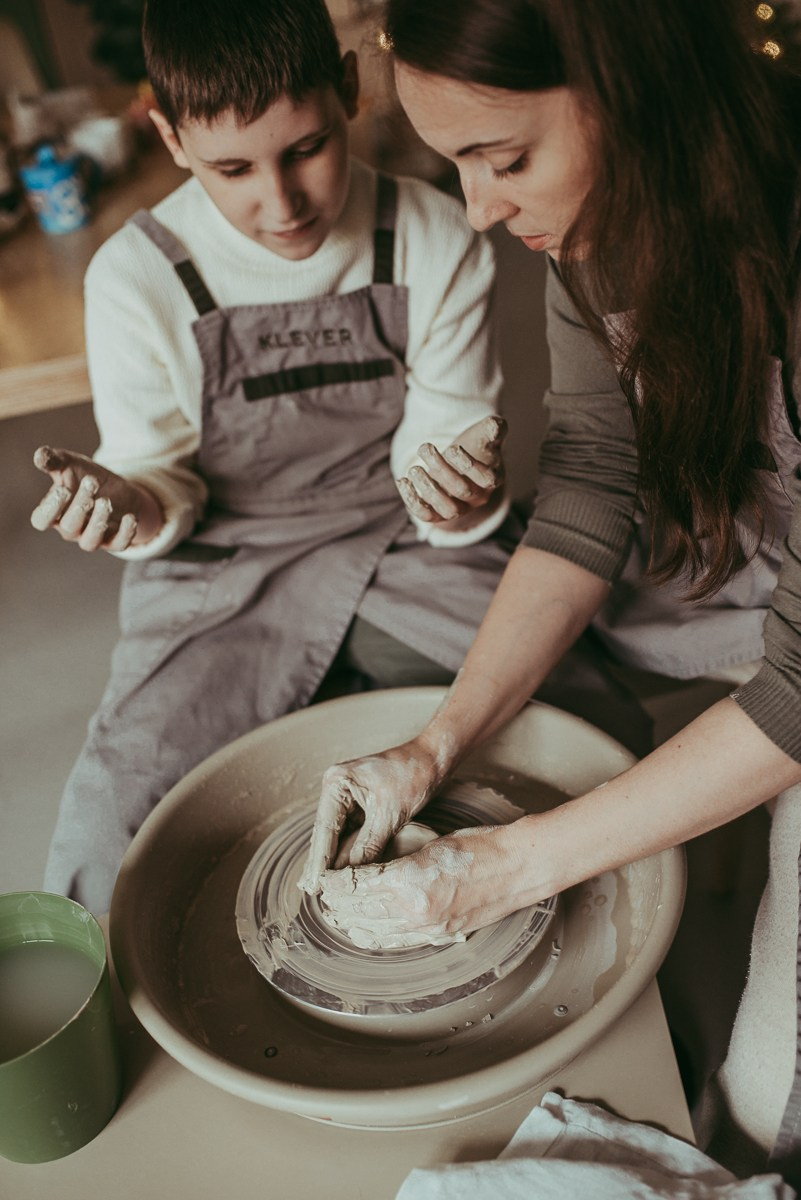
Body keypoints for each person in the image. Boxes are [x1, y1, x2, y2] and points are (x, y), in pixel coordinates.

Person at [299, 0, 801, 1185]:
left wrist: (500, 871)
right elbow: (591, 477)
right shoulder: (599, 225)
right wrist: (432, 748)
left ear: (629, 88)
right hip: (771, 570)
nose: (478, 209)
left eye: (504, 158)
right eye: (455, 166)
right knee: (501, 678)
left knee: (769, 1098)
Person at [32, 0, 529, 918]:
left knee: (566, 734)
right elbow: (161, 478)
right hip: (225, 563)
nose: (282, 202)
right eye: (233, 168)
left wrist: (458, 494)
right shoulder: (136, 276)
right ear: (169, 138)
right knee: (114, 814)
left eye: (304, 149)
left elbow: (446, 434)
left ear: (348, 90)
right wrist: (127, 504)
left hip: (404, 544)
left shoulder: (432, 233)